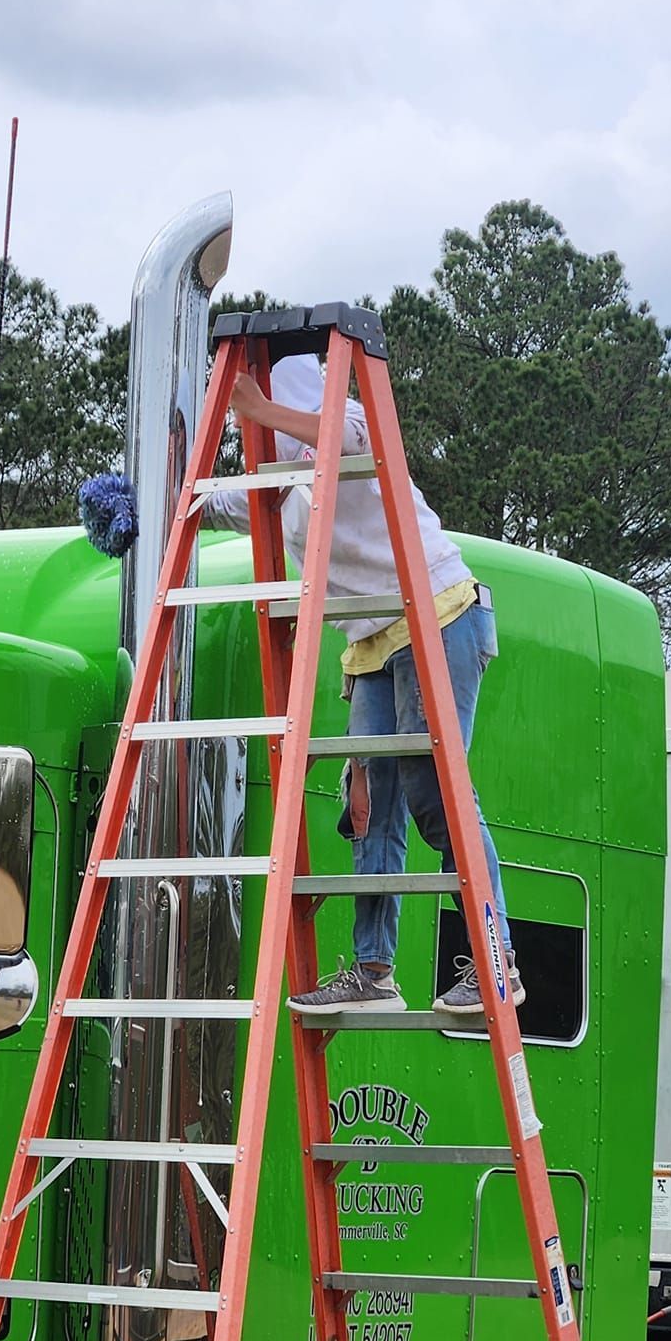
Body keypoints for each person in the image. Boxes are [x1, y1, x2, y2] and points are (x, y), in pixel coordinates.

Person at [199, 352, 524, 1016]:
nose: (242, 427)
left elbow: (351, 435)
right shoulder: (286, 485)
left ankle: (498, 961)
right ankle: (374, 969)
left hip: (438, 613)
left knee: (434, 792)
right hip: (372, 644)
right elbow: (215, 504)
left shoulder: (343, 424)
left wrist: (260, 409)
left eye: (244, 410)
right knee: (368, 806)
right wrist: (137, 501)